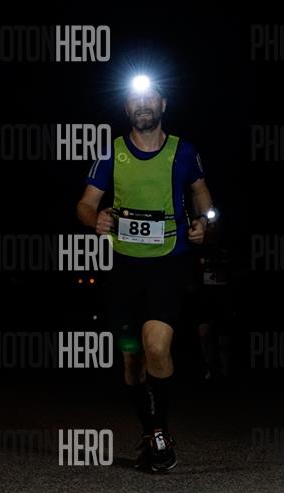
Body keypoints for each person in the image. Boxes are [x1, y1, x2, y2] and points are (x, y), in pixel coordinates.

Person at [76, 75, 214, 472]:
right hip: (124, 267)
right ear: (126, 108)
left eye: (150, 98)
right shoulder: (111, 153)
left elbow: (201, 193)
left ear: (163, 104)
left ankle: (159, 431)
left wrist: (205, 221)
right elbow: (85, 203)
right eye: (135, 100)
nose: (143, 105)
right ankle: (150, 428)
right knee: (132, 359)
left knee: (156, 345)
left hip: (170, 261)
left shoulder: (184, 151)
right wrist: (94, 219)